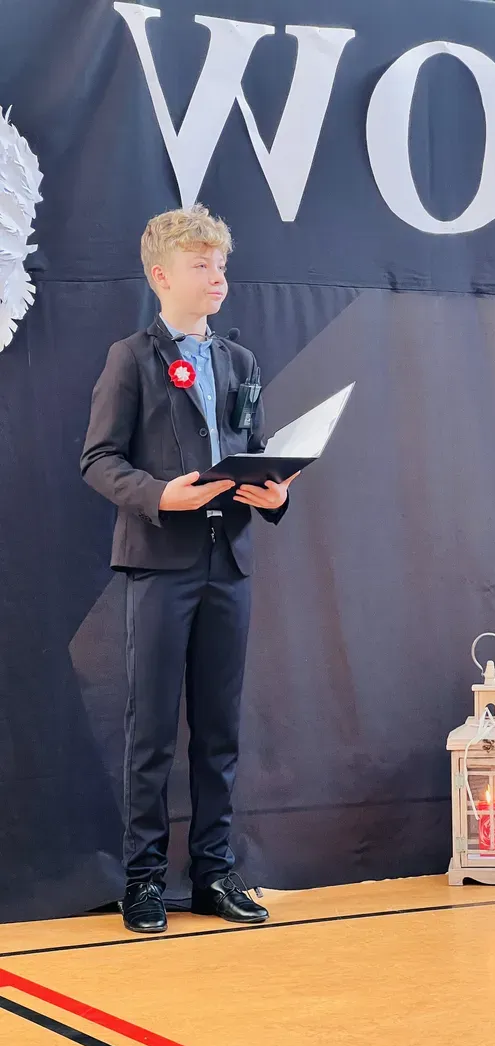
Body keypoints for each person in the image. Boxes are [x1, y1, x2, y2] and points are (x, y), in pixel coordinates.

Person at [80, 205, 298, 934]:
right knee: (150, 732)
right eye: (201, 265)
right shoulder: (130, 358)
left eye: (221, 265)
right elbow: (98, 460)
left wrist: (275, 492)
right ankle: (143, 879)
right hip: (160, 564)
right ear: (161, 276)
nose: (217, 277)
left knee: (219, 729)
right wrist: (157, 494)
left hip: (227, 562)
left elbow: (253, 448)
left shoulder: (239, 362)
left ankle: (214, 871)